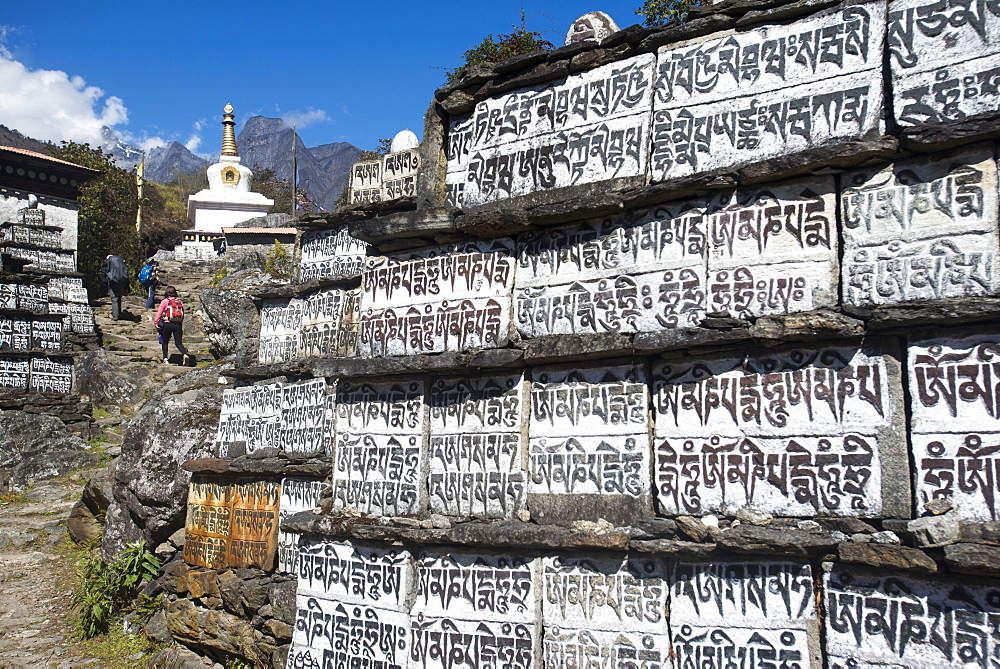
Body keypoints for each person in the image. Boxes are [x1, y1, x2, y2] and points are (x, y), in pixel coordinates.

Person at [154, 286, 190, 365]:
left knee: (165, 342)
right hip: (178, 325)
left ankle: (165, 359)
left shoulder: (164, 301)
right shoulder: (179, 301)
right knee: (178, 343)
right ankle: (185, 354)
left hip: (168, 323)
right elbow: (182, 314)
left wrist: (156, 323)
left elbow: (159, 314)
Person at [100, 254, 129, 321]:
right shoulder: (121, 261)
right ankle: (119, 313)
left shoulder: (107, 262)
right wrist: (126, 287)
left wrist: (105, 286)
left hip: (112, 281)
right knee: (119, 297)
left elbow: (104, 274)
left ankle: (115, 315)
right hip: (122, 281)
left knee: (114, 298)